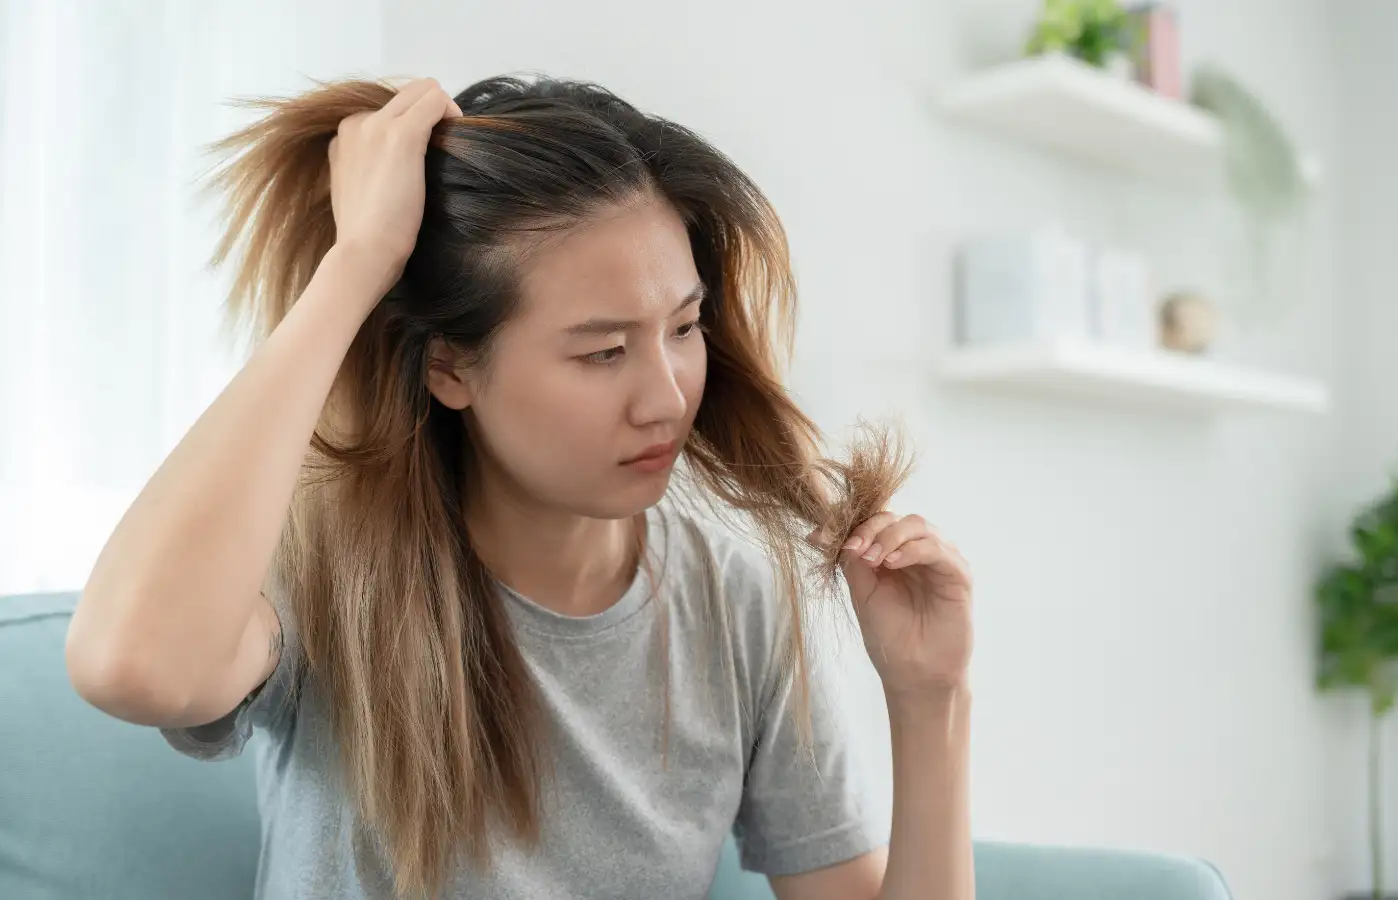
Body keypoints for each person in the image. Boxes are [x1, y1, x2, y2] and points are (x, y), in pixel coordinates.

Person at [65, 75, 974, 900]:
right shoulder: (328, 575)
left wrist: (930, 696)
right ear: (451, 369)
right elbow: (130, 666)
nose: (666, 397)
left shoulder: (734, 603)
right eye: (603, 352)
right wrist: (358, 264)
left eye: (686, 326)